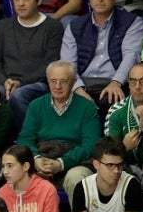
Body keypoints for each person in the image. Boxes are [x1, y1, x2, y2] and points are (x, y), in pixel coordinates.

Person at [0, 0, 68, 121]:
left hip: (38, 84)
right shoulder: (1, 27)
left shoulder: (53, 27)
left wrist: (20, 83)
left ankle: (29, 138)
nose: (21, 3)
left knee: (18, 95)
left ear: (39, 0)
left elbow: (50, 65)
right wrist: (5, 81)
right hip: (6, 84)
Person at [62, 0, 143, 107]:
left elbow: (131, 56)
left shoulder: (132, 22)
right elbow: (68, 64)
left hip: (113, 82)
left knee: (111, 99)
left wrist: (116, 83)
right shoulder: (74, 26)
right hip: (82, 83)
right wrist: (78, 90)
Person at [16, 61, 99, 198]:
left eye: (63, 82)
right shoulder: (36, 106)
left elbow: (90, 145)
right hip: (42, 159)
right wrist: (36, 159)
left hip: (76, 162)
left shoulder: (87, 107)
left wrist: (61, 163)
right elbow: (25, 139)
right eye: (53, 81)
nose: (57, 87)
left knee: (76, 178)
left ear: (73, 83)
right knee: (18, 174)